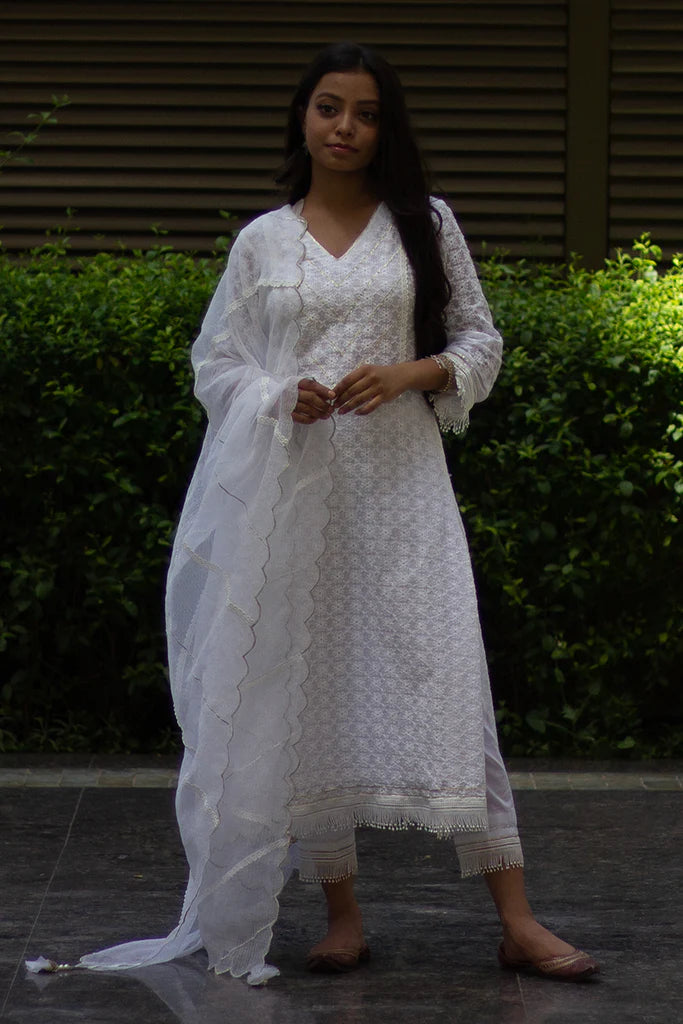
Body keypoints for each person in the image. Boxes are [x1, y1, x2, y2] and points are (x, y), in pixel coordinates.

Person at [39, 42, 598, 986]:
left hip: (404, 494)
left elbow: (480, 341)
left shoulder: (424, 222)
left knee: (455, 689)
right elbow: (215, 363)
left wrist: (413, 372)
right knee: (309, 699)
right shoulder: (263, 241)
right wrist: (276, 396)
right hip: (298, 502)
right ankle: (343, 915)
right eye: (329, 107)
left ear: (386, 129)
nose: (345, 127)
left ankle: (517, 919)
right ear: (302, 118)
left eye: (366, 113)